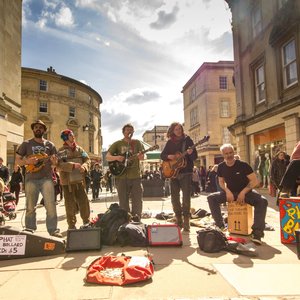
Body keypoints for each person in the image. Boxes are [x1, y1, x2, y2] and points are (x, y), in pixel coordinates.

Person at [207, 143, 268, 245]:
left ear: (234, 152)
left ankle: (257, 233)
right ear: (223, 155)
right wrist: (227, 191)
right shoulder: (221, 167)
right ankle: (220, 226)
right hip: (230, 193)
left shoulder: (243, 165)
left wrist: (243, 192)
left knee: (262, 201)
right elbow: (221, 182)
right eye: (226, 153)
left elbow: (254, 181)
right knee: (211, 198)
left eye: (231, 152)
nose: (229, 155)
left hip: (246, 192)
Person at [15, 120, 62, 237]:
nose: (38, 129)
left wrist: (55, 162)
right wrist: (27, 161)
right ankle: (30, 229)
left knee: (50, 205)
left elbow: (54, 164)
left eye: (40, 128)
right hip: (31, 178)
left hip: (46, 178)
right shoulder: (26, 144)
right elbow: (17, 161)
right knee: (30, 206)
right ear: (33, 129)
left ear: (44, 130)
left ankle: (53, 230)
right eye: (36, 127)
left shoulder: (50, 145)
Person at [160, 122, 198, 231]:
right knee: (174, 197)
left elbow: (194, 157)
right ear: (172, 131)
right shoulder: (170, 142)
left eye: (180, 128)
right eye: (176, 129)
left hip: (186, 172)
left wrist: (190, 153)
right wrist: (169, 156)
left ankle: (186, 220)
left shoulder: (188, 140)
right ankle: (178, 219)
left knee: (186, 197)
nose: (179, 131)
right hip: (173, 173)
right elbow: (162, 155)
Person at [106, 123, 144, 219]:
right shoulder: (117, 144)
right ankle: (125, 220)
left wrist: (141, 156)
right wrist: (117, 157)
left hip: (135, 176)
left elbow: (143, 156)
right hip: (121, 177)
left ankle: (137, 218)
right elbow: (107, 157)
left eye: (131, 130)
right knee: (123, 201)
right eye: (127, 130)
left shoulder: (137, 143)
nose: (129, 131)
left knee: (137, 199)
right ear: (123, 132)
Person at [56, 129, 91, 230]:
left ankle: (86, 222)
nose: (73, 136)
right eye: (71, 135)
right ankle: (71, 225)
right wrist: (72, 166)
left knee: (84, 201)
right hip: (67, 183)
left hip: (80, 181)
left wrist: (84, 166)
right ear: (66, 138)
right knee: (69, 204)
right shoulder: (61, 151)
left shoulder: (80, 150)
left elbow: (87, 159)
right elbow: (58, 165)